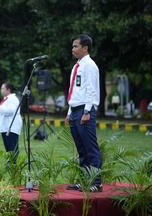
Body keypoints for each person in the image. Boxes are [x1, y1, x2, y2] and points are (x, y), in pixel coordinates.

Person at [65, 34, 102, 192]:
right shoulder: (76, 66)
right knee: (81, 149)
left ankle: (95, 182)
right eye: (73, 46)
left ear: (85, 48)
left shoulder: (90, 65)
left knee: (90, 148)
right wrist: (69, 112)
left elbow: (91, 90)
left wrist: (87, 111)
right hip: (74, 110)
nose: (73, 49)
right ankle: (85, 180)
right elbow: (75, 91)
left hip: (84, 111)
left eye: (76, 46)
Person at [0, 83, 22, 162]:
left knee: (12, 146)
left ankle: (13, 163)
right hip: (6, 126)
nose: (1, 90)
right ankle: (10, 162)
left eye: (3, 88)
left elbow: (10, 111)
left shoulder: (13, 99)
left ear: (8, 90)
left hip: (11, 126)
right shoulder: (6, 99)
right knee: (8, 147)